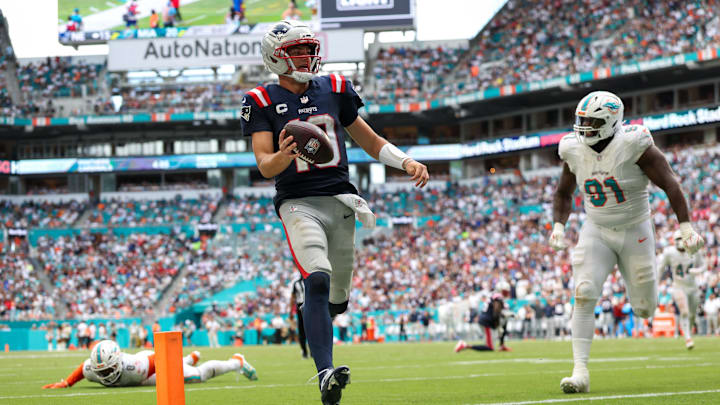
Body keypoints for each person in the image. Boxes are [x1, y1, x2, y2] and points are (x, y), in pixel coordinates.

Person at [241, 20, 428, 405]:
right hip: (297, 203)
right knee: (318, 279)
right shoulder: (259, 99)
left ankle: (317, 307)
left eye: (309, 48)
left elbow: (369, 140)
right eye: (297, 51)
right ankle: (325, 373)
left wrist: (406, 161)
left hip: (341, 200)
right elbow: (265, 165)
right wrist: (284, 154)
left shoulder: (335, 88)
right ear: (276, 56)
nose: (307, 56)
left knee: (337, 297)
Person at [549, 90, 705, 393]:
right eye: (582, 120)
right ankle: (579, 371)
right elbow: (562, 192)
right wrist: (558, 225)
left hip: (636, 230)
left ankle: (646, 301)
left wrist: (685, 227)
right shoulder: (572, 148)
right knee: (584, 292)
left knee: (645, 309)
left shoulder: (634, 143)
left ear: (610, 121)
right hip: (596, 228)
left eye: (591, 121)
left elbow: (670, 183)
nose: (584, 127)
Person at [42, 339, 257, 389]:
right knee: (187, 369)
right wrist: (67, 383)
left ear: (117, 363)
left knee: (195, 377)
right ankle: (189, 359)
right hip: (146, 364)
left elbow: (164, 358)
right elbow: (83, 368)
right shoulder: (92, 369)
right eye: (102, 370)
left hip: (154, 366)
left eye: (108, 368)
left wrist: (178, 368)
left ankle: (236, 361)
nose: (105, 374)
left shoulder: (134, 367)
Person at [658, 230, 706, 349]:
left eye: (681, 238)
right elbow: (660, 268)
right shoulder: (669, 253)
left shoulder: (694, 251)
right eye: (677, 239)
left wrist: (698, 271)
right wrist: (656, 283)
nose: (679, 242)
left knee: (692, 314)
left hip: (692, 287)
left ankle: (688, 332)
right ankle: (688, 338)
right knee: (684, 311)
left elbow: (704, 265)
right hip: (678, 286)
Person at [290, 275, 309, 358]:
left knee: (303, 330)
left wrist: (291, 311)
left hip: (302, 306)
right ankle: (308, 352)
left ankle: (305, 352)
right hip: (307, 306)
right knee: (309, 330)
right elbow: (293, 297)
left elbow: (292, 298)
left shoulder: (297, 283)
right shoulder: (307, 282)